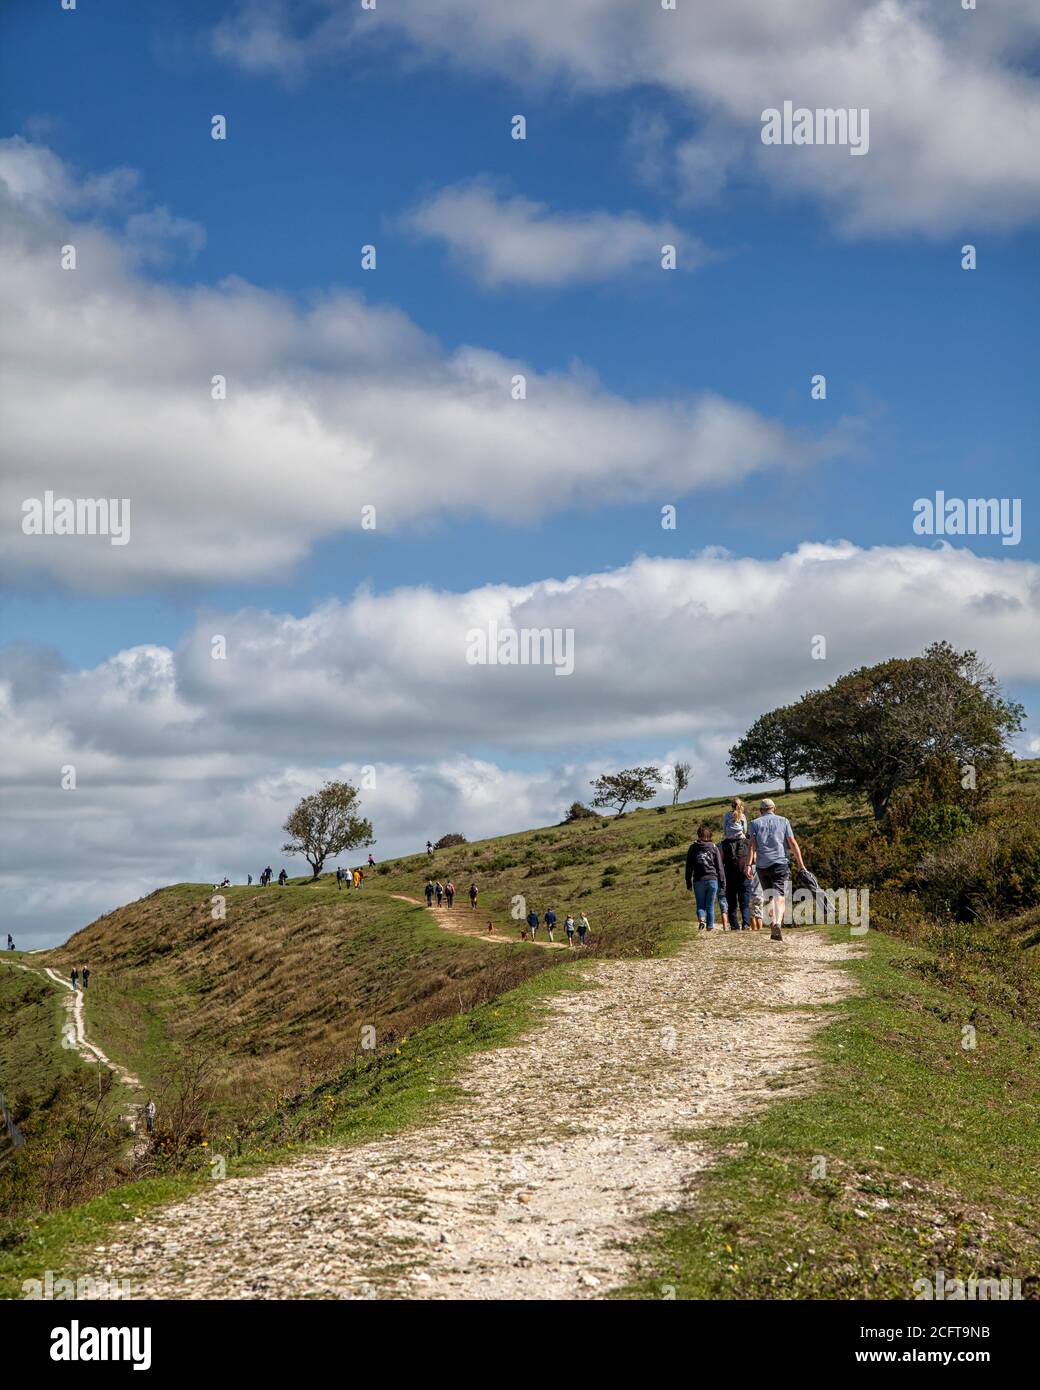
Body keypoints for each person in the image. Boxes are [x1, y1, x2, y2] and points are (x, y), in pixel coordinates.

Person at [746, 798, 806, 942]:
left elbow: (752, 846)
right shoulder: (784, 821)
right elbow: (792, 842)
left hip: (762, 865)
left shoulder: (754, 823)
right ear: (774, 809)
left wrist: (749, 865)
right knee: (780, 895)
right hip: (780, 863)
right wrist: (800, 864)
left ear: (761, 811)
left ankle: (773, 924)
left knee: (770, 897)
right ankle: (778, 923)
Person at [685, 824, 725, 930]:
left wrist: (688, 882)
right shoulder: (714, 847)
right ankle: (710, 926)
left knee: (700, 904)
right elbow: (719, 866)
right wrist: (722, 881)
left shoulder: (692, 848)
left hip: (698, 881)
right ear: (709, 835)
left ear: (699, 834)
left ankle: (702, 920)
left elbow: (688, 867)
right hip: (712, 879)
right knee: (710, 905)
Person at [720, 827, 753, 931]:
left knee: (732, 902)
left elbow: (720, 861)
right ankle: (746, 924)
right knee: (745, 902)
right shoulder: (747, 842)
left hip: (729, 875)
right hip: (744, 874)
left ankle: (734, 925)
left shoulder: (723, 844)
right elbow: (754, 858)